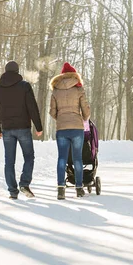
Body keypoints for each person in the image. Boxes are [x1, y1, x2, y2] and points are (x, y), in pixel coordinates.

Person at [0, 61, 43, 200]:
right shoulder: (24, 86)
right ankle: (24, 184)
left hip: (7, 129)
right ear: (17, 71)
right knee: (29, 157)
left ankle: (12, 192)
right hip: (23, 128)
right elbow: (32, 107)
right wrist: (38, 126)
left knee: (9, 161)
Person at [50, 62, 90, 200]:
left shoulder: (55, 90)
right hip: (77, 128)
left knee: (62, 158)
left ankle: (61, 189)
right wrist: (84, 118)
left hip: (62, 129)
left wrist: (60, 118)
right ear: (74, 74)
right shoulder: (78, 88)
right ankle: (79, 188)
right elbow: (85, 109)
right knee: (77, 158)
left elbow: (52, 112)